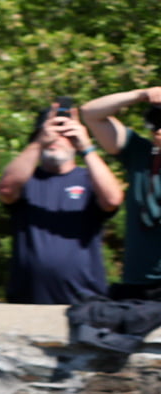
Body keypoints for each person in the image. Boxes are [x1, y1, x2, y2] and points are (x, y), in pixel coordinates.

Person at [0, 101, 122, 305]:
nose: (56, 138)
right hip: (27, 301)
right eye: (51, 131)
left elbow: (112, 200)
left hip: (84, 301)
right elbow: (6, 190)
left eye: (64, 132)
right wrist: (39, 142)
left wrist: (87, 147)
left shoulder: (89, 179)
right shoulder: (25, 179)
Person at [80, 86, 161, 300]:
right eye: (157, 122)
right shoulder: (140, 153)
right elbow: (90, 113)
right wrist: (141, 95)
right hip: (137, 282)